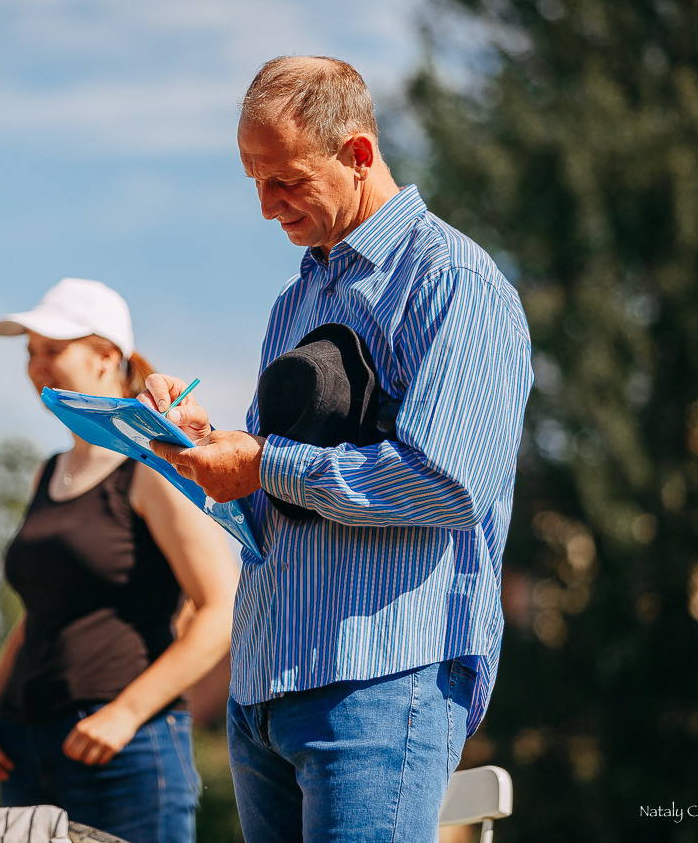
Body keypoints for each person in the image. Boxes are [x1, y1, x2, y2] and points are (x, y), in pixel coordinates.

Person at [142, 57, 534, 842]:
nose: (264, 207)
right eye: (254, 179)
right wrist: (200, 449)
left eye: (284, 179)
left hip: (380, 683)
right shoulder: (295, 302)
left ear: (358, 153)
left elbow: (450, 483)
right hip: (266, 690)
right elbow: (267, 501)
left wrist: (261, 461)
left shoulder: (452, 281)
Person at [0, 278, 239, 843]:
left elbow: (221, 608)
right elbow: (40, 614)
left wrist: (126, 713)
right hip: (25, 751)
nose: (37, 366)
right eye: (30, 353)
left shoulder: (151, 468)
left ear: (108, 357)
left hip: (126, 755)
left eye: (54, 350)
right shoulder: (48, 473)